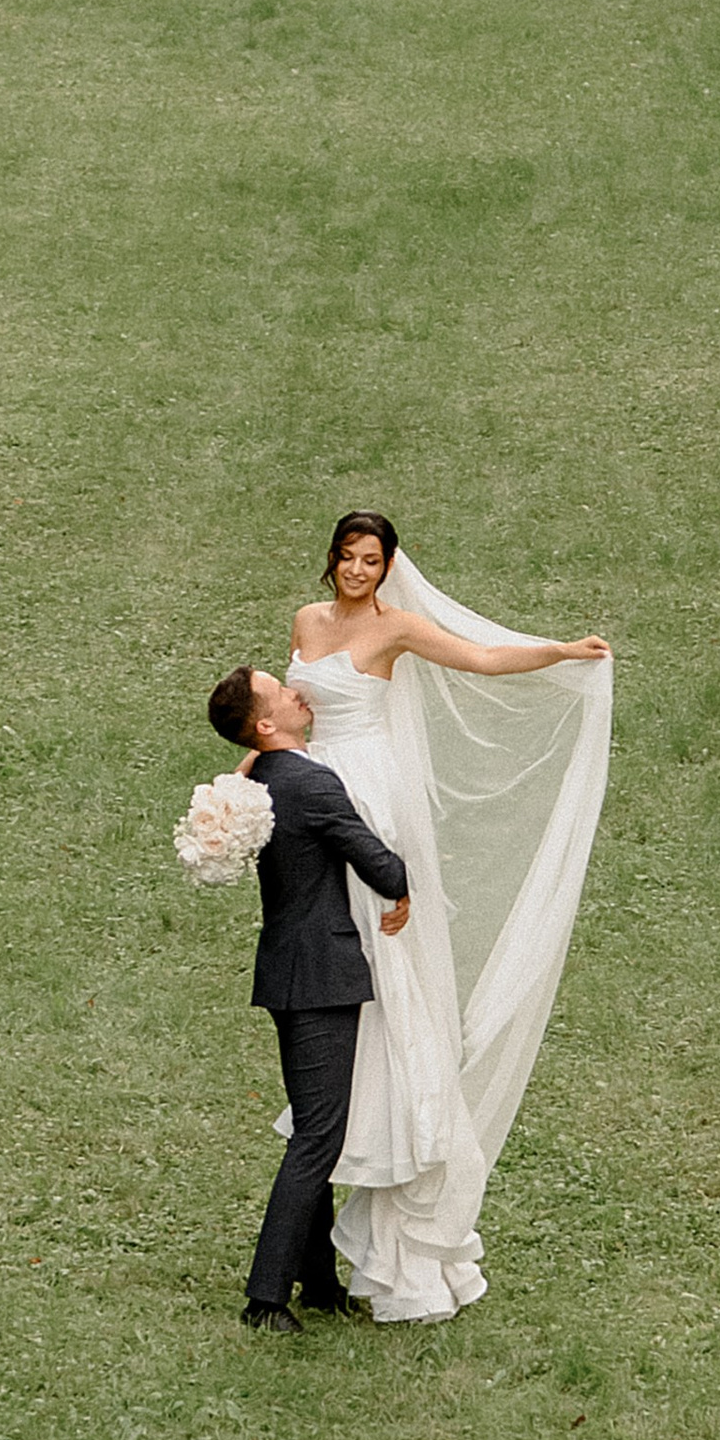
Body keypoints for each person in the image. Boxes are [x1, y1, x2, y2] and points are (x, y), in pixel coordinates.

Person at [279, 512, 611, 1323]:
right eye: (348, 558)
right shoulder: (306, 622)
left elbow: (486, 659)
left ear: (389, 567)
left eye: (372, 560)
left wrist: (563, 651)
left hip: (370, 800)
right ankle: (337, 1120)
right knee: (330, 954)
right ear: (332, 562)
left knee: (386, 971)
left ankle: (403, 1173)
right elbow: (292, 710)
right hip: (318, 797)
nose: (358, 571)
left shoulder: (398, 632)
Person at [206, 662, 412, 1337]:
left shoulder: (260, 781)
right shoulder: (312, 783)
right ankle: (266, 1296)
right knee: (319, 1135)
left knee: (310, 1126)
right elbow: (381, 864)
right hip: (323, 974)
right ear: (267, 723)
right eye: (281, 693)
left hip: (286, 969)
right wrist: (405, 881)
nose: (299, 694)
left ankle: (319, 1281)